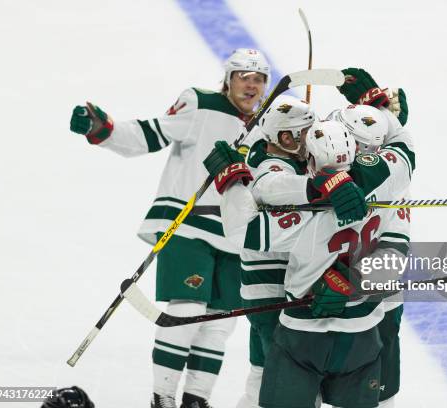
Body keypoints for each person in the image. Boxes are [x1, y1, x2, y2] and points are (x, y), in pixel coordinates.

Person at [69, 48, 270, 408]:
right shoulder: (200, 103)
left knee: (219, 324)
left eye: (259, 79)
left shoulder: (268, 127)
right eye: (244, 76)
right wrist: (105, 130)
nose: (251, 84)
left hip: (236, 235)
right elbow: (152, 134)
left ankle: (196, 400)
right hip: (189, 225)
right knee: (186, 309)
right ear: (228, 79)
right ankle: (162, 397)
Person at [207, 118, 411, 407]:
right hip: (362, 329)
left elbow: (242, 229)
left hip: (302, 330)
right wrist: (381, 113)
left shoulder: (304, 215)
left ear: (310, 159)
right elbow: (404, 149)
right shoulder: (387, 186)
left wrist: (232, 182)